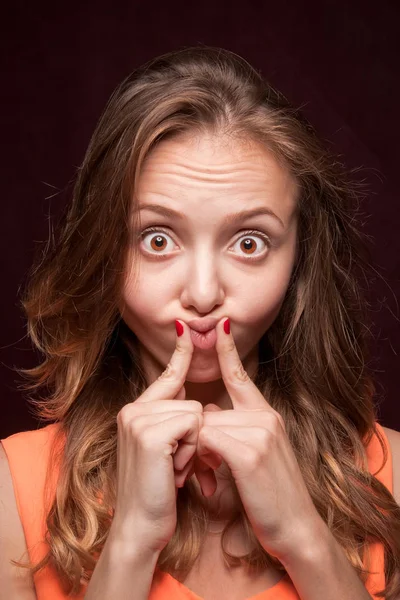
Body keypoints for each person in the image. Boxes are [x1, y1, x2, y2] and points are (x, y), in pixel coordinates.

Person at [1, 45, 399, 600]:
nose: (205, 294)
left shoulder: (392, 475)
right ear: (103, 250)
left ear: (299, 259)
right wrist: (132, 541)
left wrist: (302, 538)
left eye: (250, 242)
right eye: (157, 239)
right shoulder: (13, 487)